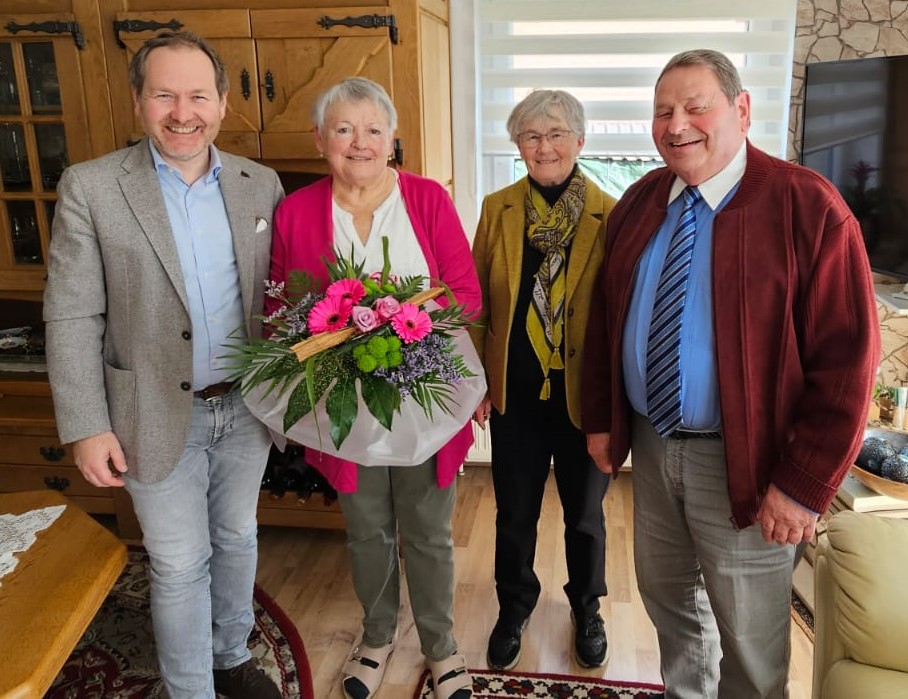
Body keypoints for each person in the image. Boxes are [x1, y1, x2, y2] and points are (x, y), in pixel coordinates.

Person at [581, 49, 880, 698]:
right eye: (663, 111)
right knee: (671, 608)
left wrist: (803, 485)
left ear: (741, 111)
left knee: (748, 637)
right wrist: (604, 421)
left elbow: (849, 361)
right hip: (655, 450)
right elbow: (605, 321)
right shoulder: (638, 203)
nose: (676, 123)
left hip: (750, 462)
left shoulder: (809, 207)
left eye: (696, 106)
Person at [43, 31, 284, 699]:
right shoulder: (91, 187)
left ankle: (230, 653)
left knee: (237, 537)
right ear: (137, 101)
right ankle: (190, 690)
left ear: (225, 103)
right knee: (180, 563)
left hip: (245, 406)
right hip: (146, 410)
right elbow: (70, 313)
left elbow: (281, 293)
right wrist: (85, 424)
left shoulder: (259, 183)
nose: (184, 113)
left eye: (198, 95)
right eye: (165, 95)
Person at [265, 77, 477, 699]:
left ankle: (441, 647)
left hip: (426, 397)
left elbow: (464, 295)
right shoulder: (297, 210)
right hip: (341, 403)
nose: (359, 143)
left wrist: (401, 329)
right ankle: (378, 636)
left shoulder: (428, 200)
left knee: (428, 528)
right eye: (343, 129)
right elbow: (283, 305)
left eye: (373, 129)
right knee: (366, 527)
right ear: (320, 139)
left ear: (393, 140)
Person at [469, 89, 616, 671]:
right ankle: (515, 606)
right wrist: (478, 382)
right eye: (531, 136)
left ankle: (587, 607)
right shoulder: (498, 208)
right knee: (515, 511)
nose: (544, 146)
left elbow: (618, 313)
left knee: (585, 515)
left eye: (556, 134)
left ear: (580, 142)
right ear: (518, 146)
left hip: (585, 396)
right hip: (517, 394)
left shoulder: (611, 213)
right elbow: (476, 302)